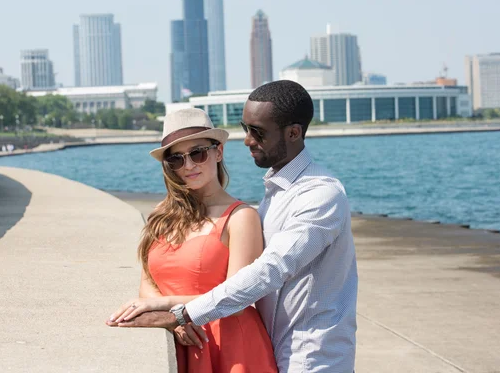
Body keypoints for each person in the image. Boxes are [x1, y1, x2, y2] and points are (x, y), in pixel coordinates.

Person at [108, 80, 358, 372]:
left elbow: (270, 270)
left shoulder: (320, 194)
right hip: (273, 348)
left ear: (293, 133)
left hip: (312, 358)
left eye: (258, 132)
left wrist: (180, 314)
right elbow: (149, 276)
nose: (248, 140)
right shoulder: (275, 194)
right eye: (246, 129)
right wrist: (175, 315)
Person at [108, 108, 278, 372]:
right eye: (176, 159)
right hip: (184, 341)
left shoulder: (241, 217)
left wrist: (168, 309)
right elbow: (148, 283)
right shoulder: (161, 215)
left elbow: (238, 300)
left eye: (197, 153)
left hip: (232, 348)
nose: (188, 166)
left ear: (218, 152)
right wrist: (174, 322)